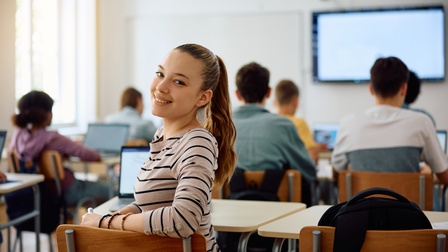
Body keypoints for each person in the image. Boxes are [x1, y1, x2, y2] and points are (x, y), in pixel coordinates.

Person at [81, 43, 237, 252]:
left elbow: (184, 219)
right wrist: (119, 215)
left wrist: (106, 223)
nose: (161, 86)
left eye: (179, 82)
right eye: (160, 73)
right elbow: (151, 204)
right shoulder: (161, 136)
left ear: (203, 97)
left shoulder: (198, 142)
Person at [331, 57, 448, 186]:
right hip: (405, 206)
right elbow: (444, 176)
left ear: (371, 89)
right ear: (404, 89)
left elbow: (336, 175)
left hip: (362, 205)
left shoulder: (348, 124)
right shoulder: (422, 122)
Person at [232, 62, 317, 206]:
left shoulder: (221, 125)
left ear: (237, 94)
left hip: (228, 217)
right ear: (269, 92)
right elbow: (309, 171)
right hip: (278, 218)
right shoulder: (283, 125)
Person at [8, 90, 110, 206]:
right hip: (66, 191)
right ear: (47, 114)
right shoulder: (53, 138)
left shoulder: (17, 136)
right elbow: (93, 156)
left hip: (32, 194)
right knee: (111, 189)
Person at [274, 79, 328, 163]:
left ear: (275, 101)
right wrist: (316, 149)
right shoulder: (299, 123)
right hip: (294, 175)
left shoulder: (269, 124)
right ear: (295, 101)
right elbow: (310, 157)